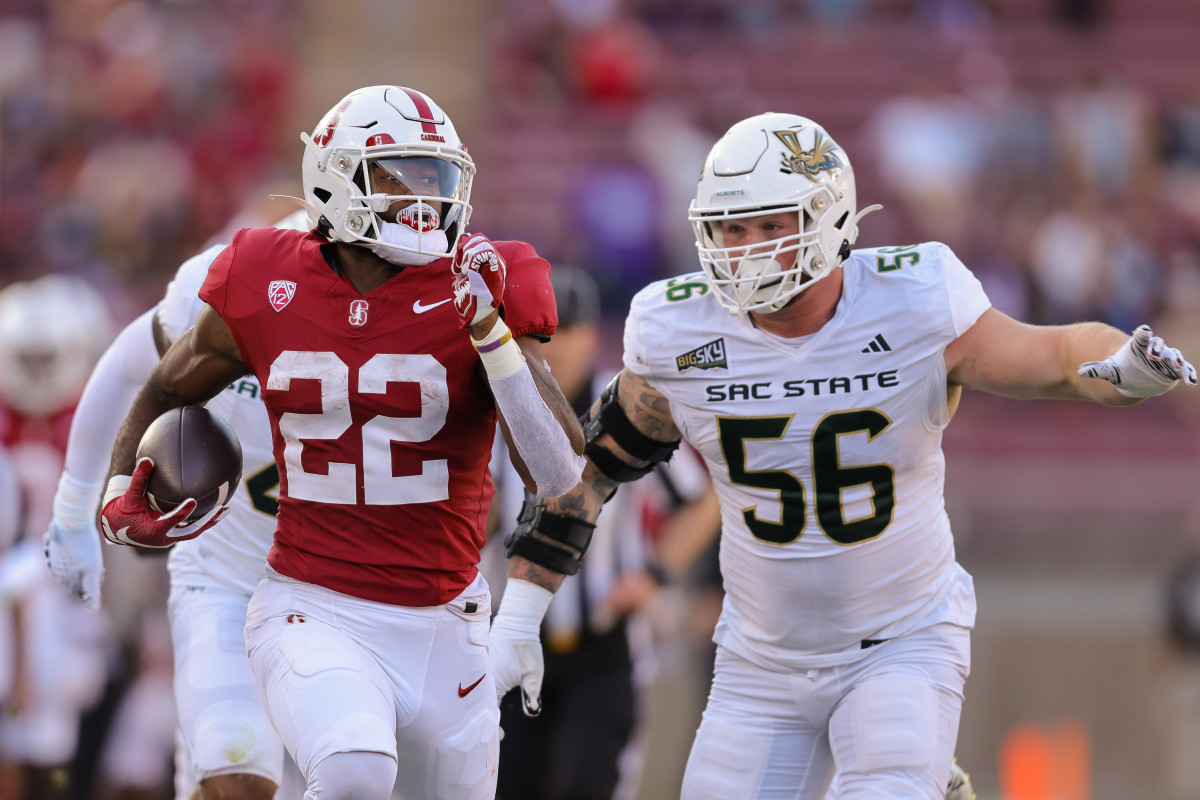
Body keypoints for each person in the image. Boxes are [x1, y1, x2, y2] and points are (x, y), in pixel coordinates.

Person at [490, 112, 1197, 800]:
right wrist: (521, 610)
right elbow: (586, 474)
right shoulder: (679, 329)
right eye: (733, 227)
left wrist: (1120, 364)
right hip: (759, 659)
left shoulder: (912, 299)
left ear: (829, 218)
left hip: (900, 641)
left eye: (771, 225)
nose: (747, 248)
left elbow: (1056, 354)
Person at [94, 84, 584, 800]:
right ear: (334, 177)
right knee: (354, 771)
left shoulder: (481, 280)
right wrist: (115, 485)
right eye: (401, 177)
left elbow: (559, 473)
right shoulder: (266, 276)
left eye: (436, 176)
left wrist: (493, 336)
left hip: (448, 622)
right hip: (313, 605)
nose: (425, 197)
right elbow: (168, 387)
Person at [43, 210, 313, 800]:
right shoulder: (225, 284)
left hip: (348, 587)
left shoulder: (411, 310)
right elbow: (125, 364)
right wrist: (75, 509)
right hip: (227, 577)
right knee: (236, 779)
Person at [485, 265, 718, 800]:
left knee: (586, 785)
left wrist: (656, 573)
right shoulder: (494, 410)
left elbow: (703, 502)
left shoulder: (624, 411)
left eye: (565, 332)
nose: (554, 347)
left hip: (603, 642)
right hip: (508, 638)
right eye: (540, 335)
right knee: (503, 786)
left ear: (591, 336)